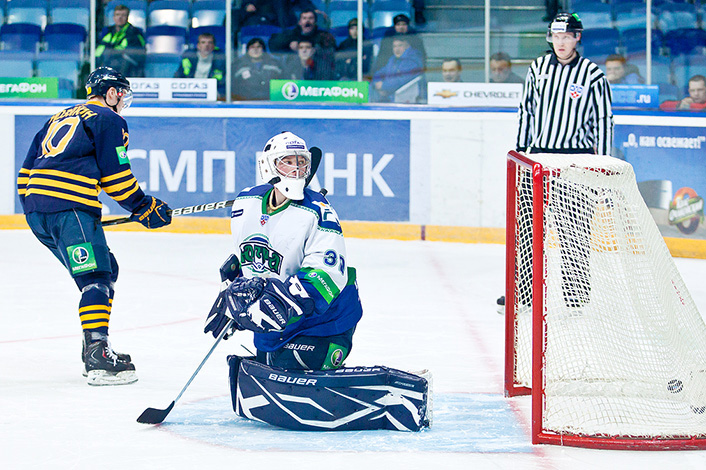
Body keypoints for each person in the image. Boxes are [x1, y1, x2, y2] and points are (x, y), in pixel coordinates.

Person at [16, 67, 172, 385]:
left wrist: (39, 208)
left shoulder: (58, 116)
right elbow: (115, 175)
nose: (123, 101)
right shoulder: (108, 119)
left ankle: (93, 346)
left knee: (106, 268)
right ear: (111, 92)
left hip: (37, 212)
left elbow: (25, 171)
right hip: (70, 210)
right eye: (122, 94)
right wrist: (143, 207)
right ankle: (98, 355)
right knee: (96, 278)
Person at [204, 131, 363, 372]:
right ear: (268, 166)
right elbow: (249, 258)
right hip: (277, 326)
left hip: (324, 322)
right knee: (268, 368)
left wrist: (283, 300)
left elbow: (327, 275)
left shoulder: (319, 212)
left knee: (291, 370)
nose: (297, 169)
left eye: (301, 162)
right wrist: (233, 298)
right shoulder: (246, 203)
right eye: (288, 162)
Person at [502, 12, 613, 314]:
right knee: (527, 230)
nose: (560, 42)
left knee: (574, 231)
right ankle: (523, 293)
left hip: (575, 161)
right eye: (556, 36)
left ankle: (576, 298)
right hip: (537, 160)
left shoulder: (592, 74)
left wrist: (601, 166)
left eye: (566, 37)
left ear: (577, 37)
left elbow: (603, 120)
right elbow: (526, 110)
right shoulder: (538, 68)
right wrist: (522, 155)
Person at [96, 4, 145, 77]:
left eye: (123, 15)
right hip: (106, 68)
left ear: (127, 17)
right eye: (117, 15)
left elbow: (136, 55)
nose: (120, 17)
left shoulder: (135, 33)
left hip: (126, 71)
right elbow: (98, 52)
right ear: (113, 17)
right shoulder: (106, 32)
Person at [174, 33, 226, 99]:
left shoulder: (220, 61)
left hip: (212, 96)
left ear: (214, 46)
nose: (206, 45)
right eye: (203, 42)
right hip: (189, 94)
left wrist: (218, 94)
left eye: (210, 43)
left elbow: (224, 83)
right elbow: (177, 78)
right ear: (198, 46)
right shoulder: (189, 59)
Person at [372, 37, 424, 102]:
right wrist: (377, 84)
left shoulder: (413, 62)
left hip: (407, 101)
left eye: (400, 46)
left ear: (407, 46)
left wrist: (383, 86)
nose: (397, 49)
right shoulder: (393, 60)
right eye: (394, 46)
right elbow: (380, 73)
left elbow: (402, 81)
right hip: (390, 98)